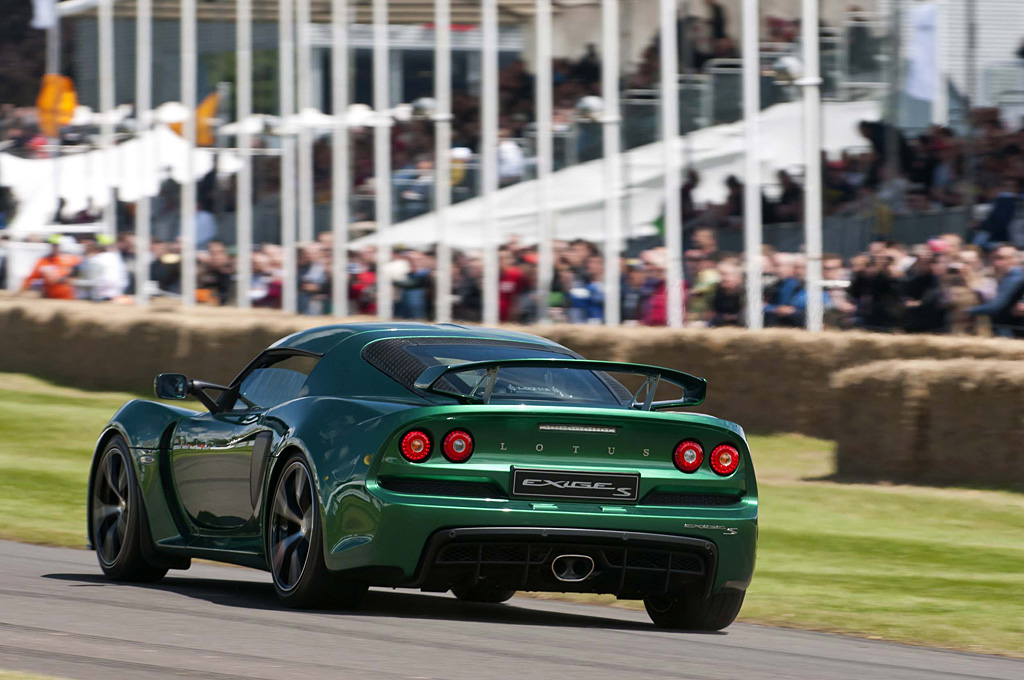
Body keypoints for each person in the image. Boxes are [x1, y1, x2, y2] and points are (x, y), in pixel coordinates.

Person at [967, 245, 1024, 337]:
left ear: (1015, 260)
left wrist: (967, 311)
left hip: (1011, 333)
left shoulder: (1014, 276)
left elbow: (996, 307)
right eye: (994, 258)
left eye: (1002, 258)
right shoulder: (1002, 277)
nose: (996, 263)